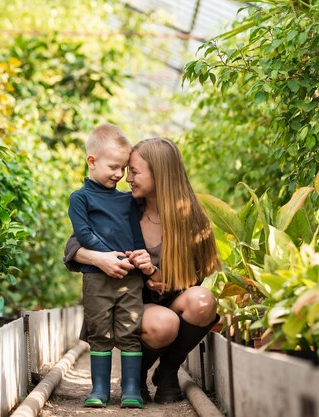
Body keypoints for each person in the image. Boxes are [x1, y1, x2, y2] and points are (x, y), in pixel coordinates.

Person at [64, 137, 221, 404]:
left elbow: (198, 275)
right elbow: (73, 245)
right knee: (163, 323)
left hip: (169, 301)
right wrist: (102, 259)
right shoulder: (122, 206)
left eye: (134, 171)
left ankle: (168, 372)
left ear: (159, 174)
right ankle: (135, 376)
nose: (127, 178)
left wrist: (159, 276)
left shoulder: (191, 217)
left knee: (203, 302)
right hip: (129, 303)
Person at [67, 123, 147, 408]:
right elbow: (84, 235)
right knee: (99, 332)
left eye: (124, 168)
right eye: (114, 167)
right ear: (92, 161)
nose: (120, 174)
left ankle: (131, 390)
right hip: (96, 277)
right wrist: (110, 257)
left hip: (130, 277)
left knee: (129, 331)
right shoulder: (80, 199)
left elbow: (136, 236)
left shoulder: (126, 201)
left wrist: (137, 258)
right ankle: (99, 390)